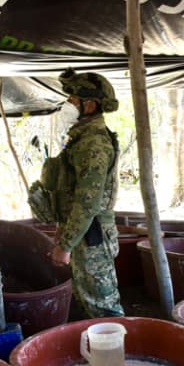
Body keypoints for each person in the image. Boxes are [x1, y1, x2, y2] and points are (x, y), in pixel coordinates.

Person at [47, 69, 124, 318]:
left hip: (92, 235)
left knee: (103, 306)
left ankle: (121, 352)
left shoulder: (94, 143)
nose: (67, 104)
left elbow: (87, 201)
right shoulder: (81, 139)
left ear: (89, 105)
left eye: (72, 99)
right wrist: (64, 231)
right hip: (83, 231)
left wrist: (66, 244)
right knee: (86, 298)